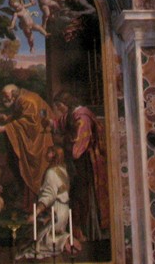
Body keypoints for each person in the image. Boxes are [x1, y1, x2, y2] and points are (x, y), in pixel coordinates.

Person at [53, 92, 109, 235]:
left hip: (85, 162)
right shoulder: (72, 114)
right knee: (75, 193)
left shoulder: (82, 117)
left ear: (66, 104)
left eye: (59, 106)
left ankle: (87, 229)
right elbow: (60, 122)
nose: (58, 109)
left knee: (82, 194)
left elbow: (77, 146)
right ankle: (76, 227)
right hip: (77, 161)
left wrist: (61, 141)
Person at [0, 84, 53, 206]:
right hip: (36, 137)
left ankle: (32, 203)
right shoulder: (23, 98)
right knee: (14, 160)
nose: (4, 98)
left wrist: (5, 128)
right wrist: (7, 119)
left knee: (29, 167)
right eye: (3, 95)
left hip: (37, 140)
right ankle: (26, 199)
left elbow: (30, 121)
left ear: (14, 93)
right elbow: (24, 116)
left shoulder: (27, 100)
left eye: (6, 95)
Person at [16, 147, 80, 259]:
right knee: (48, 235)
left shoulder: (51, 172)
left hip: (56, 210)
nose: (47, 153)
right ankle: (66, 242)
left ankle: (67, 242)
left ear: (55, 155)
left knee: (40, 242)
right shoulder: (62, 170)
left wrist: (35, 214)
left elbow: (48, 197)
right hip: (63, 210)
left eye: (51, 152)